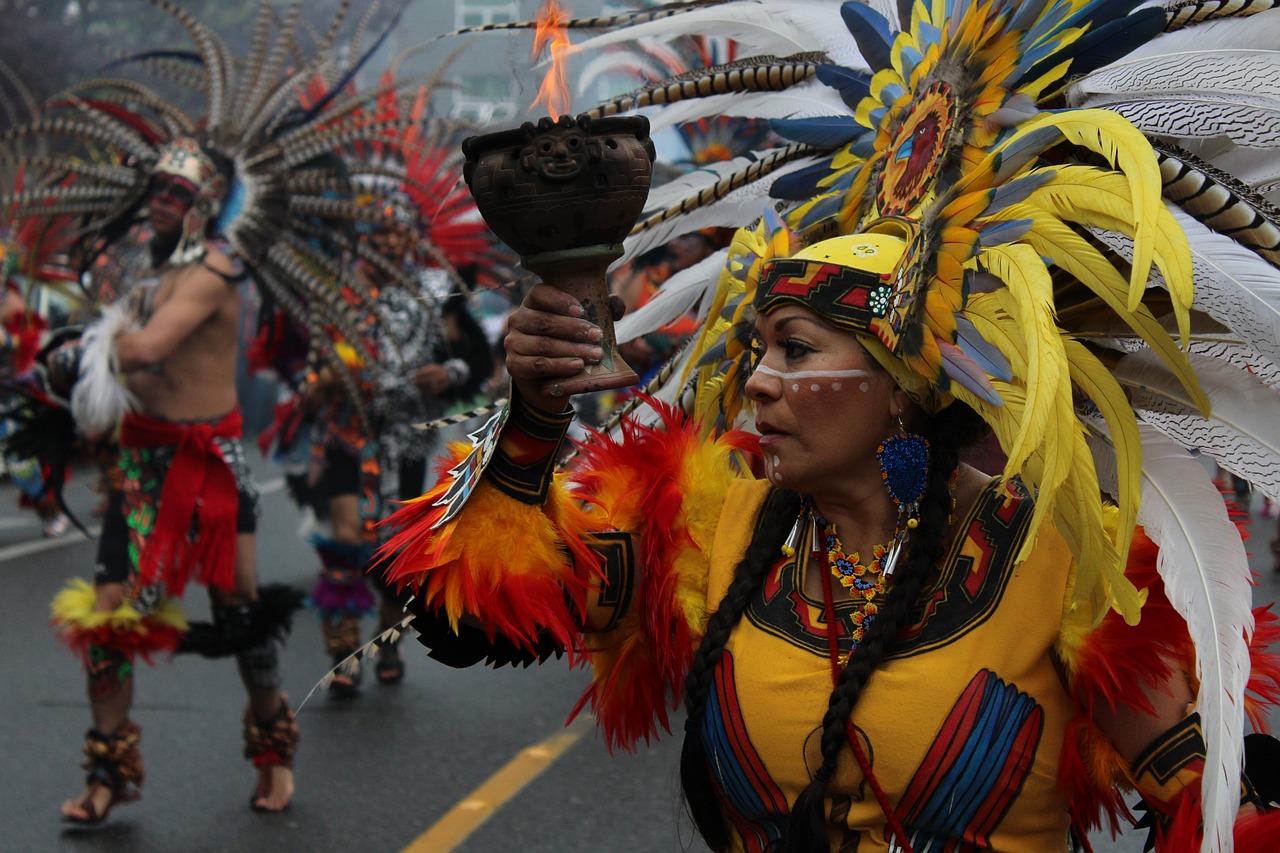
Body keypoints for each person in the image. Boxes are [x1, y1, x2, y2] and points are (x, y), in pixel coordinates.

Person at [379, 1, 1280, 850]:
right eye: (761, 349)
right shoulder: (704, 527)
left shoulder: (1068, 567)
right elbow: (472, 624)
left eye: (797, 352)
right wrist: (536, 416)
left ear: (902, 385)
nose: (757, 385)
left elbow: (1216, 810)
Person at [47, 138, 298, 823]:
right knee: (108, 622)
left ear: (205, 208)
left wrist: (79, 348)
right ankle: (108, 772)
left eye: (177, 193)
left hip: (210, 465)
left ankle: (274, 751)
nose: (160, 200)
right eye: (156, 188)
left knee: (240, 615)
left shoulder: (214, 272)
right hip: (137, 468)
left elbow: (150, 347)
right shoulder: (148, 276)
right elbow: (128, 365)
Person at [302, 198, 493, 694]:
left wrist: (446, 374)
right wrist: (318, 384)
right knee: (345, 540)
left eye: (397, 234)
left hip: (407, 441)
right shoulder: (335, 294)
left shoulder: (434, 292)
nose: (387, 244)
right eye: (377, 235)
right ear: (361, 239)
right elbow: (305, 365)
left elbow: (474, 359)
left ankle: (387, 639)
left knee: (394, 551)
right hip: (345, 437)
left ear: (413, 239)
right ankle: (342, 654)